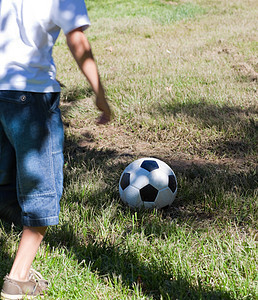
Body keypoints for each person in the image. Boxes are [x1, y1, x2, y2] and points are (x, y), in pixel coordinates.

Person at [0, 0, 111, 298]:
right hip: (32, 97)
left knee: (5, 178)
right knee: (43, 190)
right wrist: (100, 95)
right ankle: (17, 279)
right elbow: (77, 39)